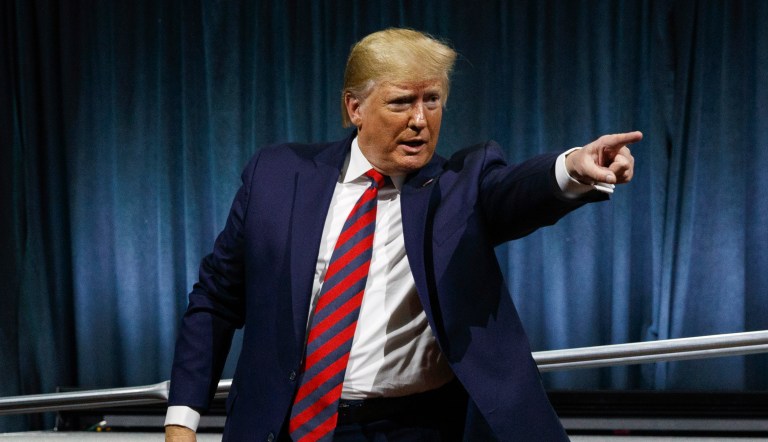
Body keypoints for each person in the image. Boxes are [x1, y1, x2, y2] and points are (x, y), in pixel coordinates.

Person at [165, 28, 640, 441]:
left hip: (417, 428)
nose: (420, 119)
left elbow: (514, 192)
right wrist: (182, 420)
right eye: (401, 102)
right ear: (355, 107)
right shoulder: (276, 175)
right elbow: (216, 299)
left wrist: (572, 169)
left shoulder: (462, 186)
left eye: (431, 100)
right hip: (287, 425)